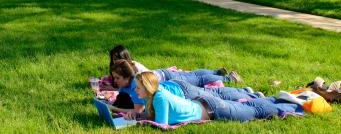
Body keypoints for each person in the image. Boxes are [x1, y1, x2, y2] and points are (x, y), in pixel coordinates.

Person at [126, 71, 301, 125]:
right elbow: (154, 117)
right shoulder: (153, 97)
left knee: (253, 111)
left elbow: (162, 125)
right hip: (206, 104)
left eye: (138, 88)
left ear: (148, 87)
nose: (136, 91)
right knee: (249, 106)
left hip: (213, 109)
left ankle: (293, 106)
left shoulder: (159, 98)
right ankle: (275, 99)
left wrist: (139, 121)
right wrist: (136, 116)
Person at [107, 60, 262, 114]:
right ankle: (245, 91)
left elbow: (138, 111)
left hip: (181, 92)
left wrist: (113, 109)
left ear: (127, 76)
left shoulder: (136, 86)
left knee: (214, 95)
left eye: (118, 78)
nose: (116, 81)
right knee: (211, 92)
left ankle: (245, 91)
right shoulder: (128, 86)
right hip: (176, 87)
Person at [106, 45, 241, 88]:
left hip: (166, 78)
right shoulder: (127, 69)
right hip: (162, 74)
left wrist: (112, 89)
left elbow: (134, 88)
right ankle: (217, 71)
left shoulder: (132, 69)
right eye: (114, 60)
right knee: (193, 75)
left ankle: (230, 78)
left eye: (117, 59)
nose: (115, 63)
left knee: (197, 79)